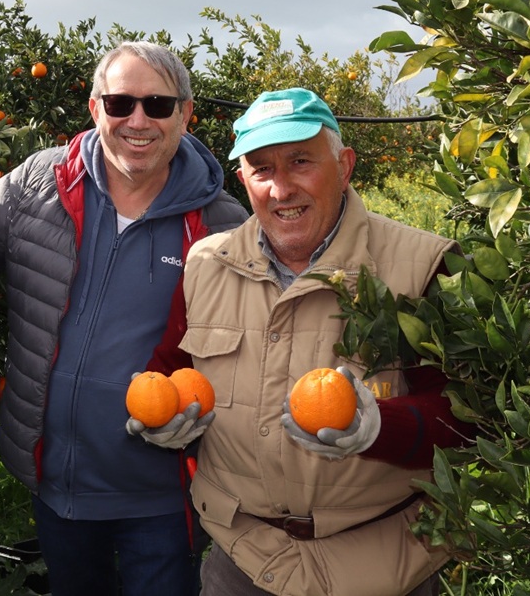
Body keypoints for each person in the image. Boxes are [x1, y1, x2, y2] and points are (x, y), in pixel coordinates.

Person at [0, 41, 248, 596]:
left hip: (160, 491)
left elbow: (242, 349)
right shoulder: (44, 180)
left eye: (158, 106)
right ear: (95, 109)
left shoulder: (220, 223)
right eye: (120, 104)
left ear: (186, 114)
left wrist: (199, 411)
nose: (138, 120)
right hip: (55, 477)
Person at [168, 88, 470, 596]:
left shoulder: (424, 265)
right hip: (241, 558)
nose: (281, 188)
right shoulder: (206, 264)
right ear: (242, 180)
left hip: (383, 564)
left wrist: (380, 428)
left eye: (300, 161)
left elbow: (465, 415)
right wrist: (166, 417)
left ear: (344, 165)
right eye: (261, 169)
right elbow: (175, 366)